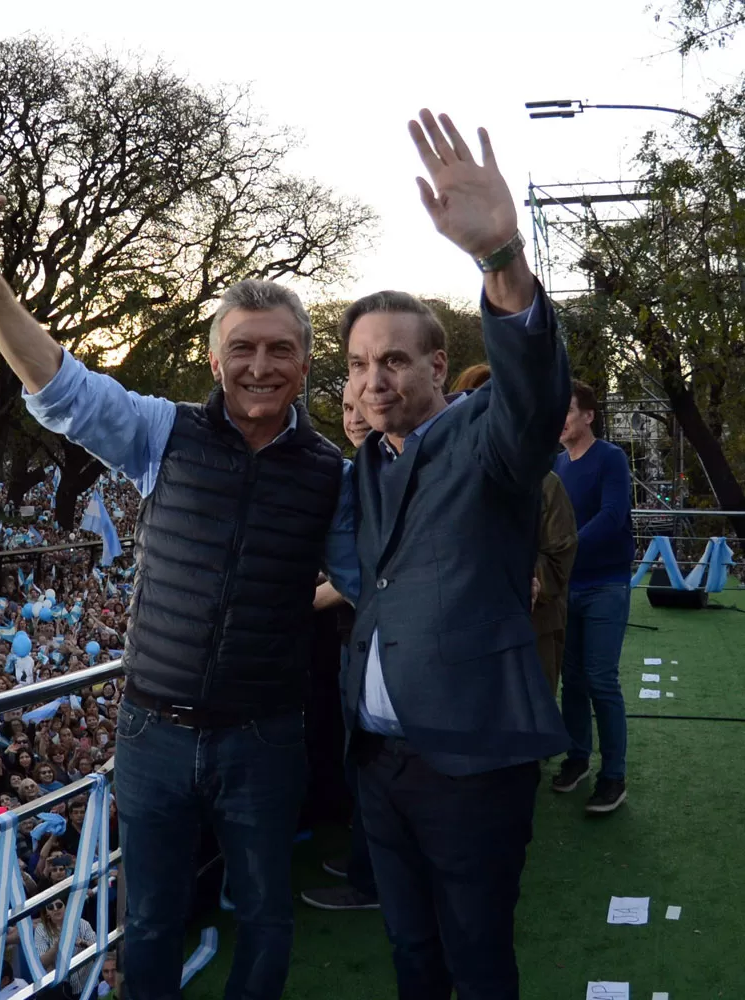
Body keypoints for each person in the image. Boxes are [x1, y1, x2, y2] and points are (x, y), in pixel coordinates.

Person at [0, 153, 356, 1000]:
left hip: (266, 737)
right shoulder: (163, 434)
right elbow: (59, 384)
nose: (261, 366)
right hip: (152, 733)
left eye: (280, 351)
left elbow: (374, 574)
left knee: (267, 918)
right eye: (243, 348)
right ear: (213, 359)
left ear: (307, 364)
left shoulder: (331, 474)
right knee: (151, 919)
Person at [339, 110, 570, 999]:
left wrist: (500, 257)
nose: (375, 378)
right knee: (412, 956)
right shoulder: (363, 462)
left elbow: (533, 389)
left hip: (471, 760)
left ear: (440, 366)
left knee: (476, 959)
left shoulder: (488, 438)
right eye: (360, 364)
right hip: (380, 764)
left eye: (396, 360)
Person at [451, 363, 577, 696]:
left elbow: (558, 561)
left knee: (527, 735)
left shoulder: (546, 485)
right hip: (461, 638)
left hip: (530, 633)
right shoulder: (443, 482)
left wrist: (506, 575)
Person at [301, 390, 380, 913]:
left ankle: (372, 879)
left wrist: (315, 596)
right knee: (361, 759)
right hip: (356, 637)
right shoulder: (362, 471)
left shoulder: (389, 475)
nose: (353, 419)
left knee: (374, 761)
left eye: (361, 408)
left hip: (379, 638)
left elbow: (377, 573)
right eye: (346, 409)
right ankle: (365, 862)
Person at [552, 379, 634, 812]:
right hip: (569, 587)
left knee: (602, 680)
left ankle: (614, 777)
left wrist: (565, 549)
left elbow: (612, 514)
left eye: (567, 410)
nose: (560, 420)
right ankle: (577, 758)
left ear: (588, 415)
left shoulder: (611, 458)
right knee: (573, 681)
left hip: (606, 585)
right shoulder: (556, 464)